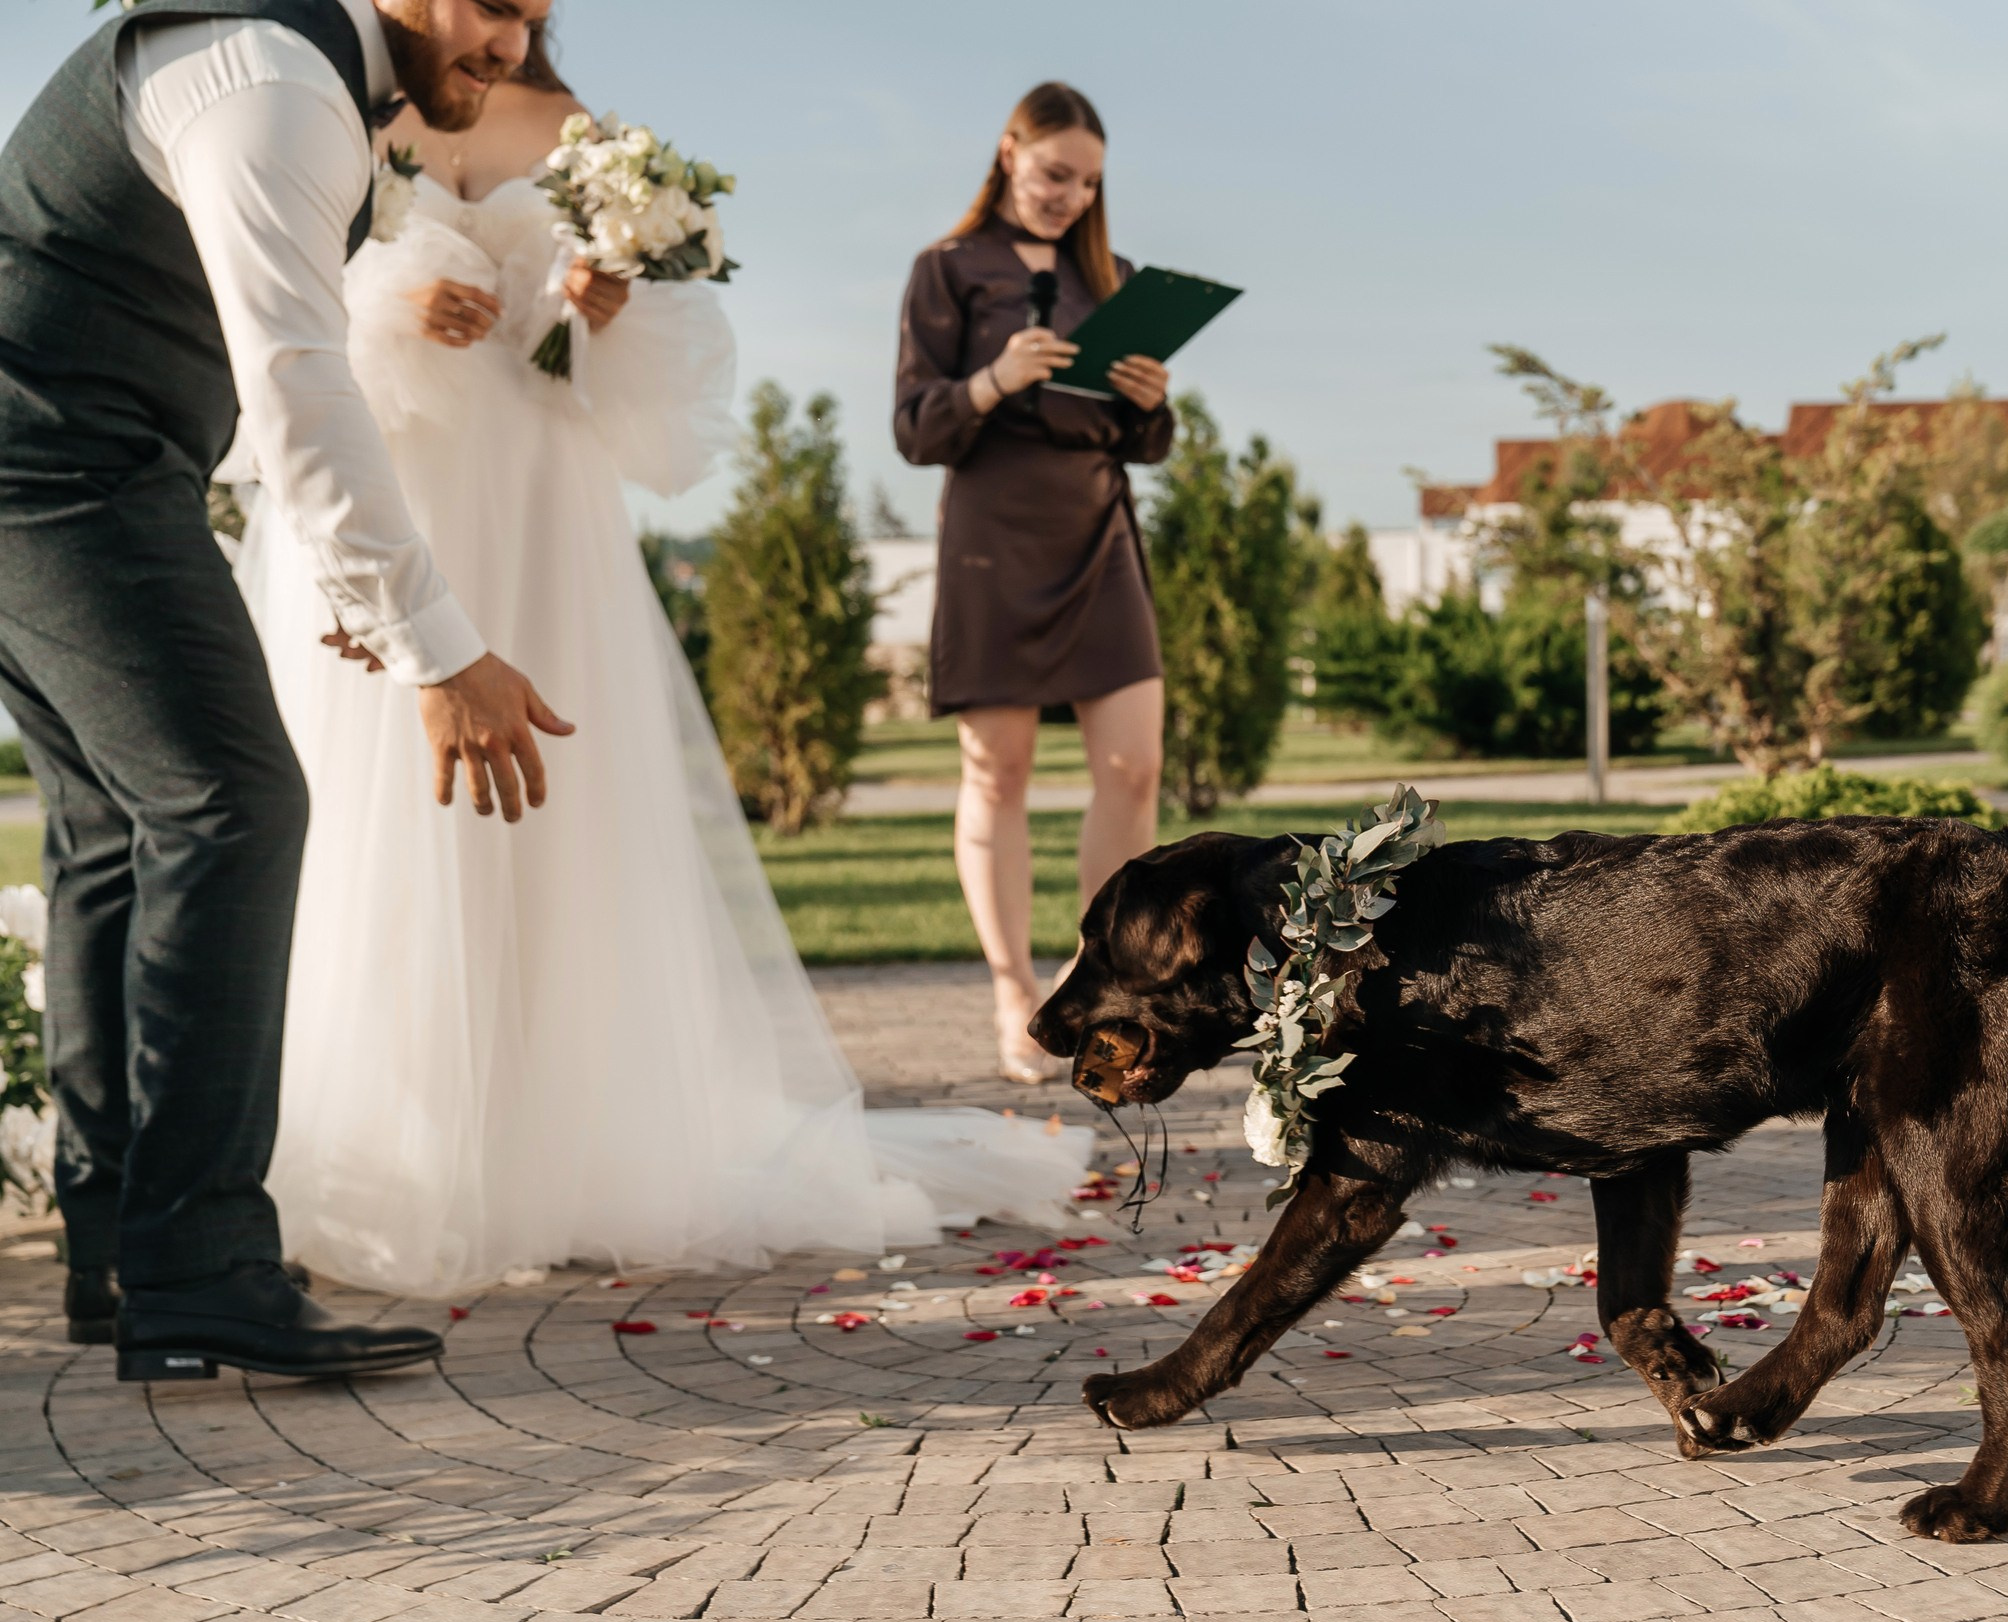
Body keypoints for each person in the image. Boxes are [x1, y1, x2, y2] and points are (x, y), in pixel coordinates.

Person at [231, 30, 1092, 1298]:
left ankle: (563, 1149)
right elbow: (268, 302)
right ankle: (378, 1152)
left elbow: (657, 389)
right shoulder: (334, 102)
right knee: (364, 811)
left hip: (537, 494)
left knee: (556, 834)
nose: (509, 33)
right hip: (394, 483)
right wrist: (390, 303)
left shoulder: (580, 125)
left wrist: (600, 315)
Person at [0, 0, 576, 1381]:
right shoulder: (270, 81)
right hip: (50, 468)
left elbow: (259, 379)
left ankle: (122, 1251)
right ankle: (201, 1265)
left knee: (121, 833)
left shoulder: (301, 75)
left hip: (82, 463)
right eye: (498, 8)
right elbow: (299, 376)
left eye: (537, 19)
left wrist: (339, 588)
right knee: (233, 806)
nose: (510, 48)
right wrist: (439, 644)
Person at [895, 82, 1175, 1085]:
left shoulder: (1118, 274)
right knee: (997, 774)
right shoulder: (946, 269)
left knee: (1133, 769)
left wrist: (1150, 401)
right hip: (990, 539)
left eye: (1087, 180)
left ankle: (1093, 976)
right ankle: (1011, 986)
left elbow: (1148, 443)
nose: (1069, 194)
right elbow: (915, 429)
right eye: (1055, 172)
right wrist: (995, 378)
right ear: (1009, 152)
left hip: (1098, 535)